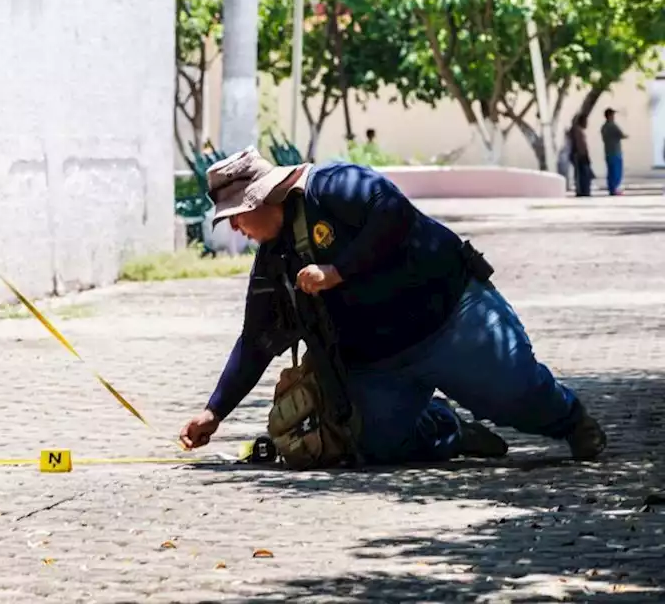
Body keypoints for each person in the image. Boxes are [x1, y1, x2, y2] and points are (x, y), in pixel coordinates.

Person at [179, 148, 607, 467]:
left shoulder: (333, 184)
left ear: (261, 197)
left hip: (450, 318)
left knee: (517, 398)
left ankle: (571, 420)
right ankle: (450, 430)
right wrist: (214, 411)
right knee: (371, 446)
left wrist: (336, 271)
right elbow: (256, 340)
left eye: (237, 214)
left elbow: (394, 213)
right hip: (377, 363)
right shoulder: (273, 262)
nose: (235, 225)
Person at [601, 108, 627, 196]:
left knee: (610, 172)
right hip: (615, 151)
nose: (613, 117)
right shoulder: (613, 126)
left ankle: (611, 189)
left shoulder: (603, 127)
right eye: (612, 115)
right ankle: (615, 189)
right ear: (609, 116)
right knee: (616, 172)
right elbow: (622, 135)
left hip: (608, 151)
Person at [569, 115, 594, 197]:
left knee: (584, 175)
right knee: (582, 175)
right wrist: (584, 156)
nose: (587, 124)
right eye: (586, 122)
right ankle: (582, 191)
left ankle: (584, 190)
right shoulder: (577, 131)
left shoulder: (578, 131)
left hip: (581, 155)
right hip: (580, 156)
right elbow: (580, 145)